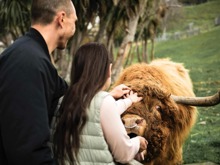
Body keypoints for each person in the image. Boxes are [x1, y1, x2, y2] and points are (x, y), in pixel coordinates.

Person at [0, 0, 77, 164]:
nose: (74, 30)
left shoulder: (30, 53)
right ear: (61, 19)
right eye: (74, 22)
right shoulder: (30, 62)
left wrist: (104, 98)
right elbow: (28, 152)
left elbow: (66, 92)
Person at [54, 42, 148, 165]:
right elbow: (123, 154)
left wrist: (128, 101)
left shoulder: (62, 100)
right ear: (108, 70)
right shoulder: (104, 102)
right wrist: (137, 142)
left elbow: (96, 111)